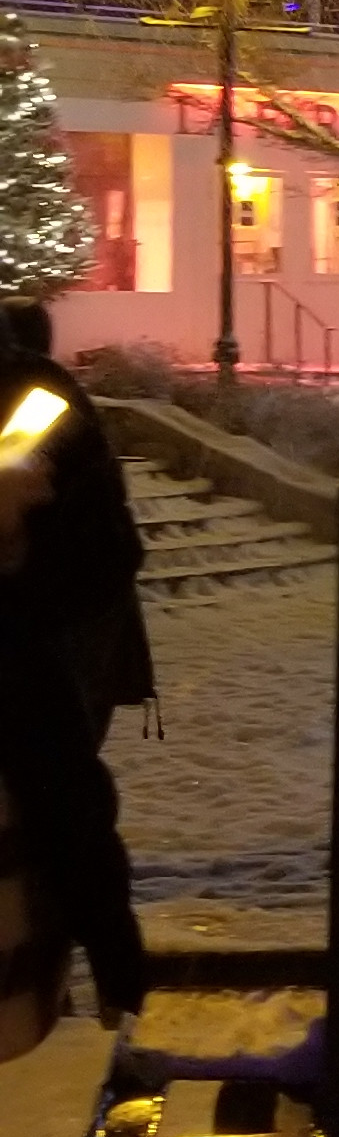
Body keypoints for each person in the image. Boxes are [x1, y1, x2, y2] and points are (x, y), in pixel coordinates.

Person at [0, 305, 148, 1025]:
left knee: (61, 819)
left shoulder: (31, 400)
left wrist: (16, 556)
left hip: (25, 656)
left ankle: (112, 995)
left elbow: (100, 547)